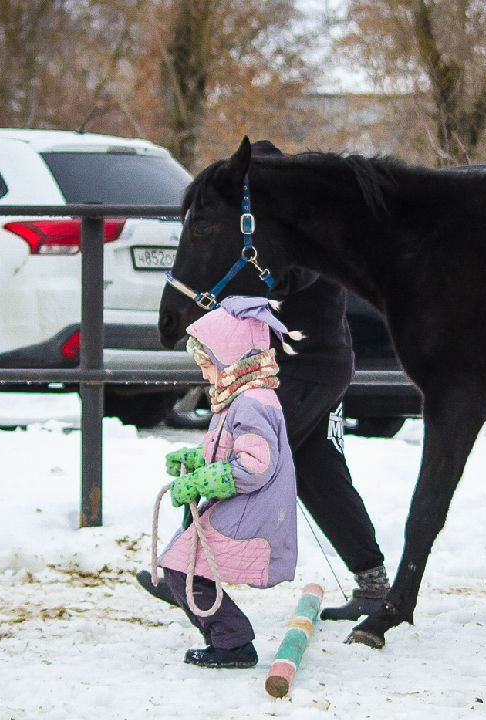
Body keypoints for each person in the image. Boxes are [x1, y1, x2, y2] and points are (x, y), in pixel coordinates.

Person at [140, 140, 390, 621]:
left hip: (303, 370)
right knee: (320, 474)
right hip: (300, 369)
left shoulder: (298, 232)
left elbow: (288, 278)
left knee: (239, 460)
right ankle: (374, 582)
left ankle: (187, 566)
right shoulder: (272, 229)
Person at [157, 295, 298, 669]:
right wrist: (198, 461)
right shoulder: (242, 398)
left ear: (231, 360)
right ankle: (229, 638)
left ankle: (233, 643)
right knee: (184, 565)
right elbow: (233, 451)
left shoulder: (250, 403)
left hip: (249, 511)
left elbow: (256, 466)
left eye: (208, 363)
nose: (204, 372)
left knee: (182, 567)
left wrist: (208, 478)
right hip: (242, 505)